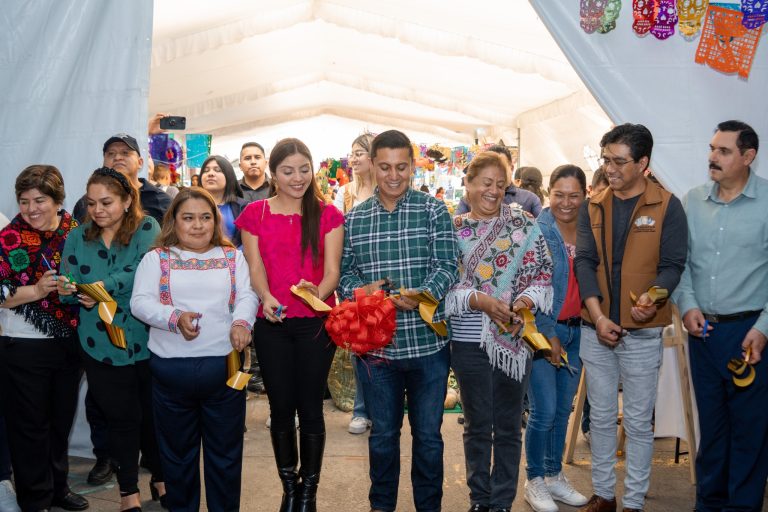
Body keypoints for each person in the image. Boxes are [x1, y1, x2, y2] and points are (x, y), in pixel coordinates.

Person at [339, 129, 459, 512]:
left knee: (428, 437)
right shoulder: (354, 220)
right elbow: (344, 277)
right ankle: (381, 506)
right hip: (378, 350)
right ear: (372, 165)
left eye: (402, 167)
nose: (394, 175)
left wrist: (421, 295)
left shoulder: (433, 210)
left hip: (429, 346)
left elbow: (447, 266)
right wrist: (368, 291)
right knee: (383, 437)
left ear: (412, 166)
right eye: (386, 167)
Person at [574, 123, 688, 512]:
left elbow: (673, 266)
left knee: (638, 424)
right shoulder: (594, 204)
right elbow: (585, 263)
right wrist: (598, 315)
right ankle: (604, 495)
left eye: (619, 161)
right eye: (606, 159)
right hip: (596, 329)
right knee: (602, 419)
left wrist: (652, 300)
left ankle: (634, 502)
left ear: (643, 163)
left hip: (643, 334)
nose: (610, 168)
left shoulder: (668, 205)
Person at [131, 188, 259, 511]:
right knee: (177, 459)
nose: (198, 225)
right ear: (174, 220)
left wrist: (242, 323)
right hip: (171, 372)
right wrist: (174, 318)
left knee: (225, 457)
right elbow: (140, 303)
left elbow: (248, 295)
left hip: (225, 372)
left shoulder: (232, 257)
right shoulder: (156, 258)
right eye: (188, 218)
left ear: (215, 221)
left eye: (205, 218)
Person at [237, 138, 344, 512]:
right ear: (273, 173)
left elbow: (332, 271)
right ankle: (289, 486)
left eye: (304, 169)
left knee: (311, 407)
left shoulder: (327, 214)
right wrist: (265, 297)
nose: (297, 178)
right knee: (280, 408)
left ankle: (309, 492)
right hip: (273, 323)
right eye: (288, 171)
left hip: (315, 323)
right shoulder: (255, 215)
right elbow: (254, 267)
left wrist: (318, 292)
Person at [445, 151, 553, 512]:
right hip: (467, 338)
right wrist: (481, 301)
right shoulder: (453, 230)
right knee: (477, 425)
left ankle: (502, 501)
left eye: (499, 185)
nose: (492, 191)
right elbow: (445, 284)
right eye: (485, 183)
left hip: (513, 338)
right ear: (469, 184)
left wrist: (522, 303)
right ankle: (480, 499)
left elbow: (542, 273)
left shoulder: (523, 224)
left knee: (508, 426)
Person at [672, 120, 768, 512]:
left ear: (749, 156)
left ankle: (742, 508)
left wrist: (763, 329)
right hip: (704, 333)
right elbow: (681, 264)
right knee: (711, 429)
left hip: (750, 335)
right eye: (712, 148)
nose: (713, 157)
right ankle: (709, 506)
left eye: (724, 151)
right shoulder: (693, 200)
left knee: (749, 431)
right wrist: (688, 305)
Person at [58, 167, 164, 512]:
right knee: (121, 418)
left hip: (146, 338)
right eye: (91, 203)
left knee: (151, 415)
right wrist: (73, 291)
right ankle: (128, 492)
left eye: (106, 202)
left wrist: (104, 288)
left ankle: (161, 477)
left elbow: (145, 271)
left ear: (127, 200)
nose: (98, 210)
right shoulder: (78, 236)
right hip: (98, 344)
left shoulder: (147, 228)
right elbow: (67, 283)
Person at [0, 165, 87, 512]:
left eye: (40, 200)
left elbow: (90, 273)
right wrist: (36, 291)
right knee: (29, 426)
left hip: (69, 340)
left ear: (58, 199)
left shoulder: (77, 231)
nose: (32, 209)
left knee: (59, 420)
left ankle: (57, 488)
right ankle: (36, 499)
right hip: (23, 344)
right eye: (24, 201)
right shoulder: (9, 238)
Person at [524, 165, 589, 512]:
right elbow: (533, 286)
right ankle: (533, 479)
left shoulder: (590, 228)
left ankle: (553, 475)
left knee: (563, 410)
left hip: (580, 331)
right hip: (543, 331)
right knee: (544, 410)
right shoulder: (538, 230)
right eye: (559, 194)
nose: (566, 202)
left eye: (574, 195)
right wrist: (549, 333)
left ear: (585, 194)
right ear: (549, 192)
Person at [332, 133, 375, 435]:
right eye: (352, 153)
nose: (354, 158)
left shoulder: (391, 189)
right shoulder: (344, 194)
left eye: (360, 152)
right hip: (354, 277)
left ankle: (382, 407)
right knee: (361, 343)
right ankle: (361, 409)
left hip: (385, 274)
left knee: (387, 341)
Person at [73, 134, 171, 225]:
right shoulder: (87, 203)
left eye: (125, 153)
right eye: (111, 154)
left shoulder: (162, 201)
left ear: (140, 162)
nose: (117, 157)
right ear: (103, 163)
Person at [455, 145, 542, 217]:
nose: (494, 191)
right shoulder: (468, 201)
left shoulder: (529, 200)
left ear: (511, 168)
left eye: (500, 185)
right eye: (487, 183)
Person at [199, 155, 248, 248]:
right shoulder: (189, 205)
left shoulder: (244, 207)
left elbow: (249, 244)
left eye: (217, 170)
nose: (210, 174)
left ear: (228, 175)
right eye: (206, 171)